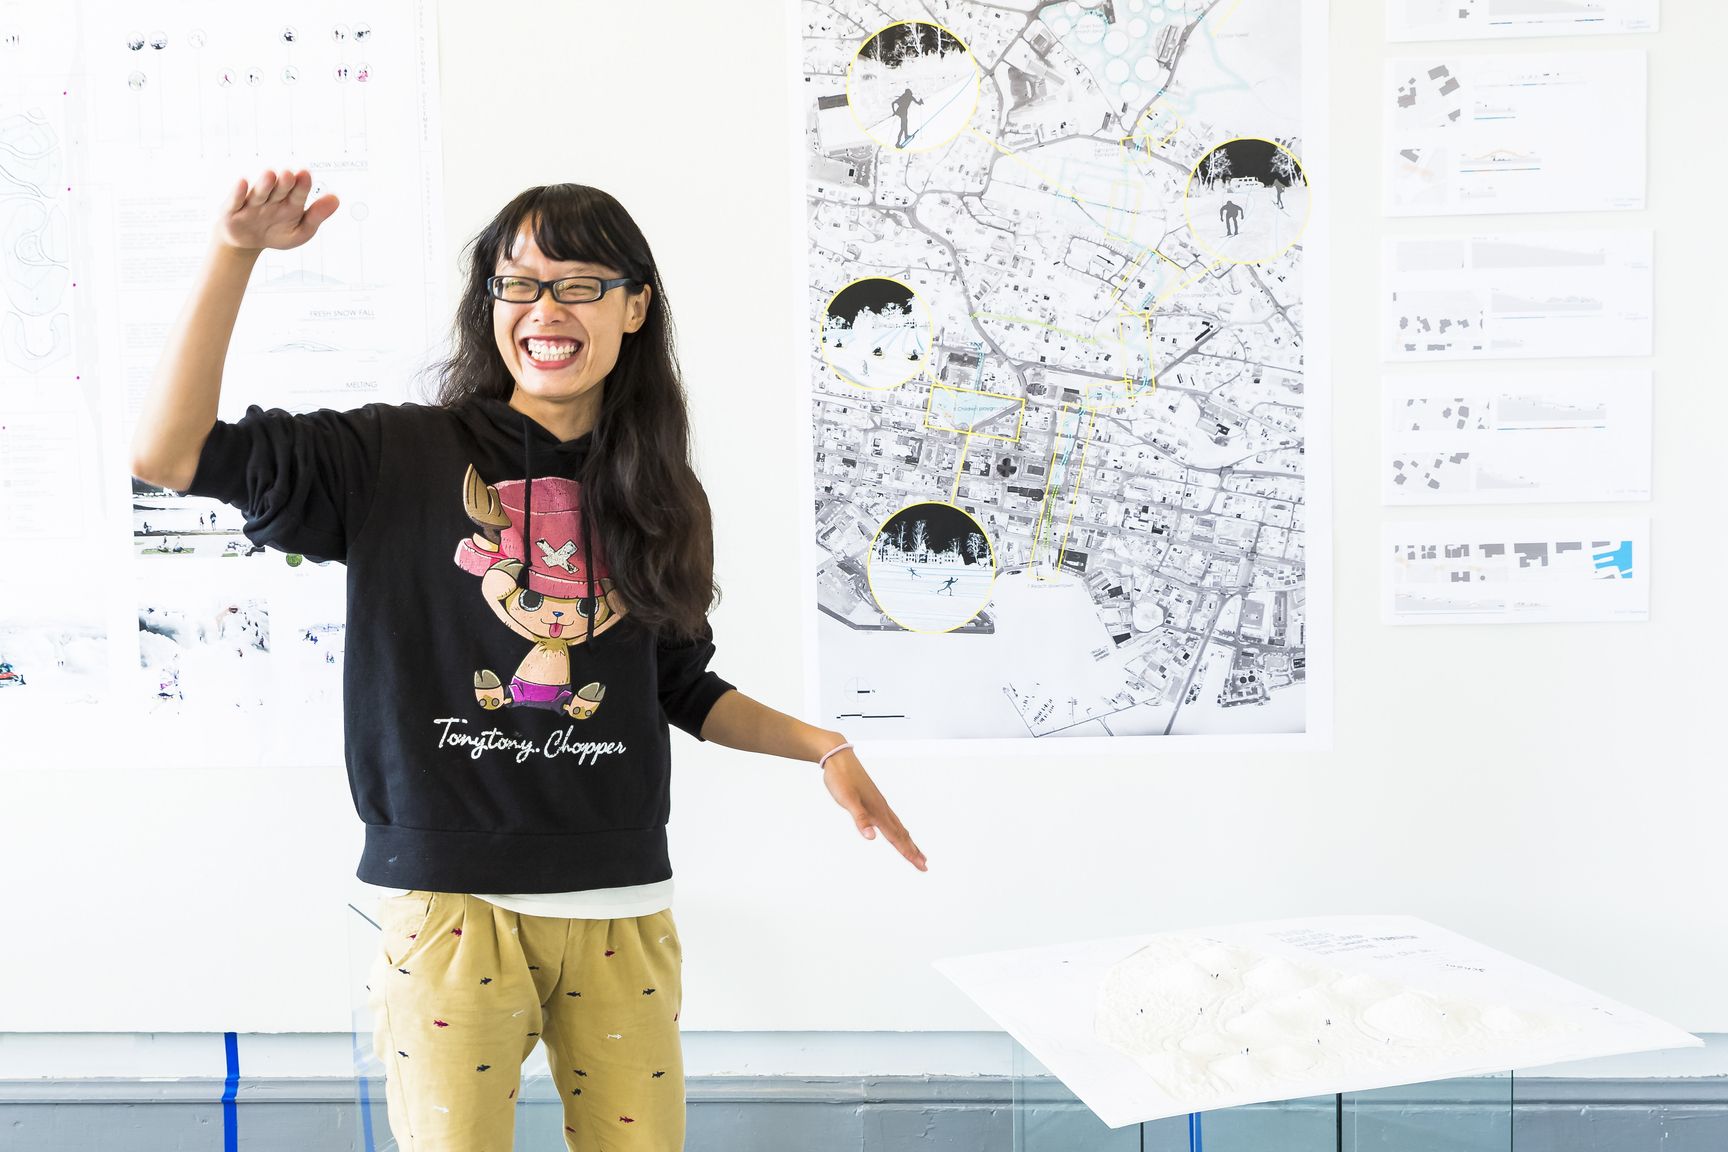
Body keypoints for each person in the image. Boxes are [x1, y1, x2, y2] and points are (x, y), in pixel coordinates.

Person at [129, 168, 928, 1152]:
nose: (546, 310)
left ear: (635, 307)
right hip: (451, 911)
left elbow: (679, 686)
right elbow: (168, 455)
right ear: (492, 302)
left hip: (622, 911)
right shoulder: (390, 457)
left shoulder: (661, 493)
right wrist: (235, 251)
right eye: (520, 283)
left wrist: (823, 746)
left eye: (580, 283)